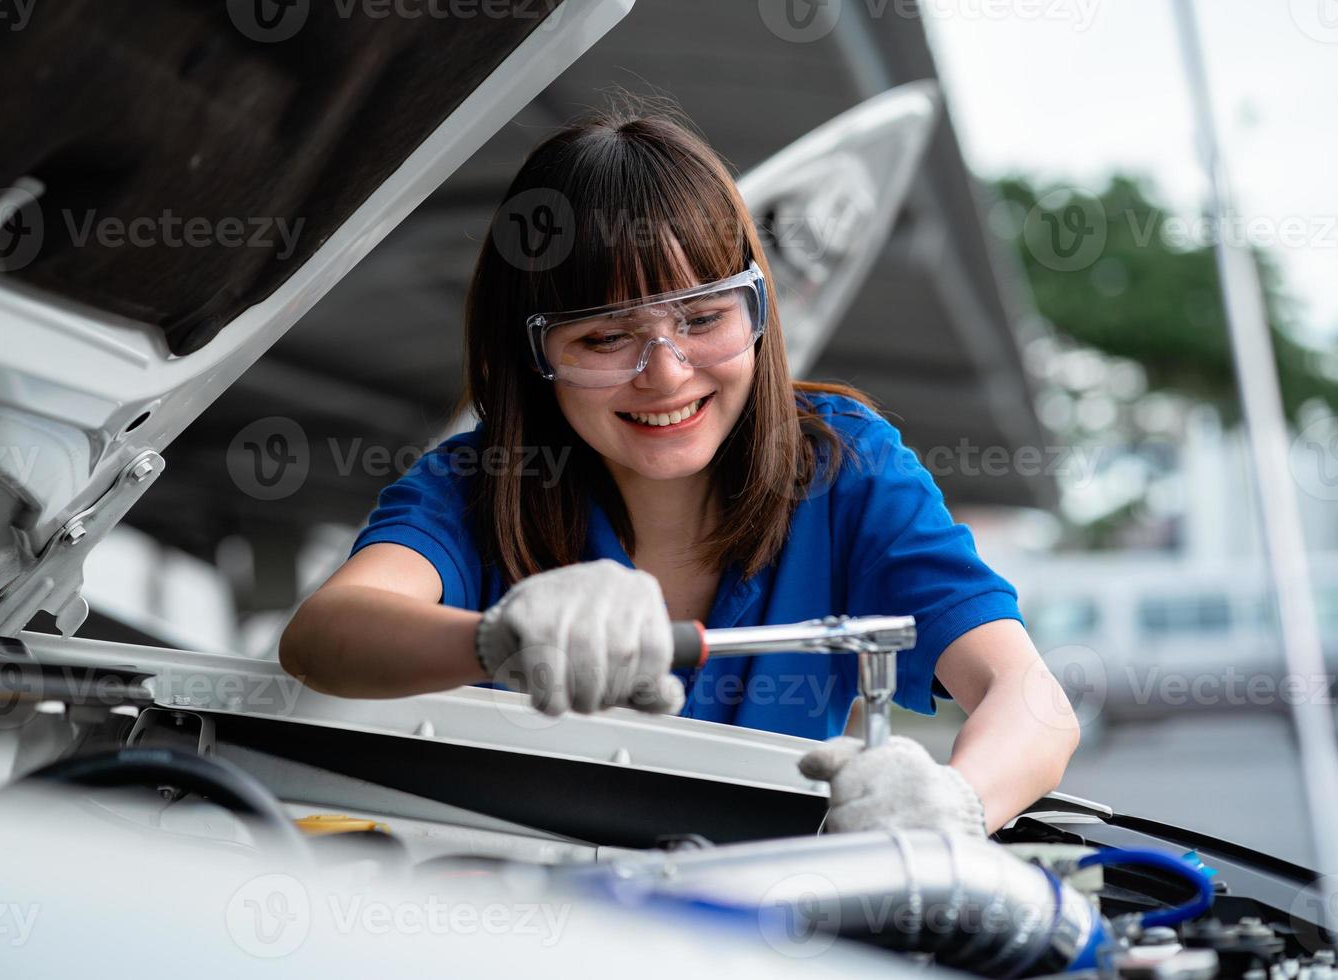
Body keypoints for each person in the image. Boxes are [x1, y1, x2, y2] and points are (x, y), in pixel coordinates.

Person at [279, 100, 1079, 838]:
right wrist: (497, 641)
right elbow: (324, 636)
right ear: (534, 356)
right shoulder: (472, 484)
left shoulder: (847, 467)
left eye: (702, 318)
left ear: (759, 309)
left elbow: (1034, 703)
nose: (665, 375)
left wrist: (957, 804)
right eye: (603, 339)